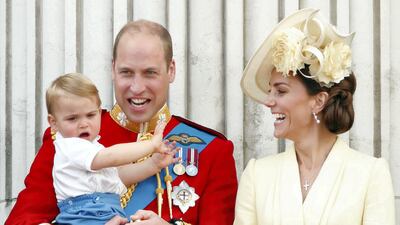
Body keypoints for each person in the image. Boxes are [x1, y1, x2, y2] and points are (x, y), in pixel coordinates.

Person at [6, 19, 238, 225]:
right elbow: (22, 220)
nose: (137, 88)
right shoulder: (71, 135)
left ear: (171, 70)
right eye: (127, 72)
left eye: (150, 73)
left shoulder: (212, 151)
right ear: (113, 69)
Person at [235, 8, 395, 225]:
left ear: (318, 101)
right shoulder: (256, 176)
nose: (268, 102)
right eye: (270, 91)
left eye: (280, 91)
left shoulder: (370, 175)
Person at [45, 73, 178, 224]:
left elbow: (118, 177)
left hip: (102, 211)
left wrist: (152, 165)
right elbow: (111, 157)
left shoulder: (93, 147)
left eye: (90, 115)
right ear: (54, 123)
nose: (83, 124)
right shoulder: (71, 146)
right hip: (85, 215)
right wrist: (151, 145)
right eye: (72, 118)